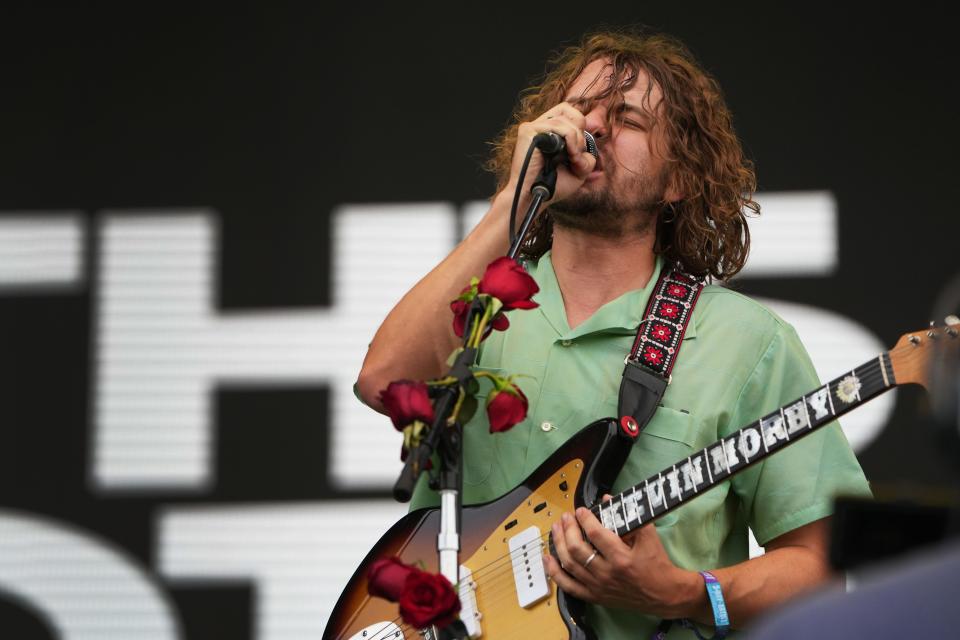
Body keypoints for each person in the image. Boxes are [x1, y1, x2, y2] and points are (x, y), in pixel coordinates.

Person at [355, 28, 871, 639]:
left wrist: (681, 592)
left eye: (626, 118)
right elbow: (383, 382)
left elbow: (822, 569)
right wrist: (512, 204)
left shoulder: (748, 342)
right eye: (579, 110)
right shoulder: (476, 306)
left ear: (678, 179)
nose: (591, 129)